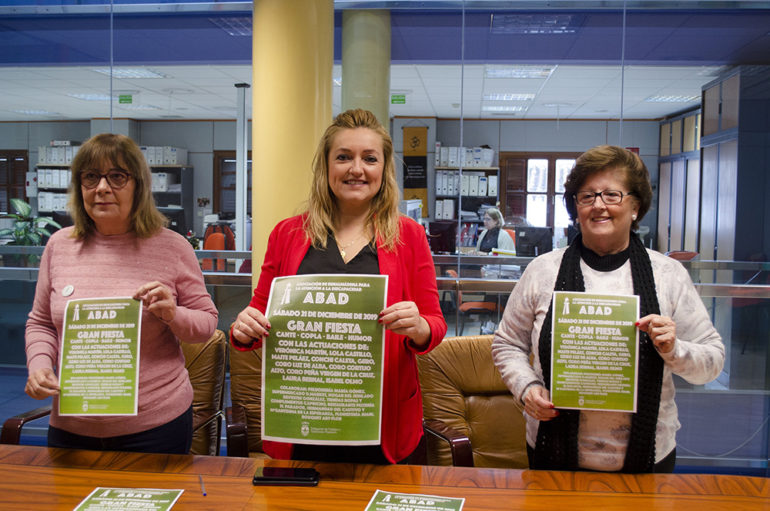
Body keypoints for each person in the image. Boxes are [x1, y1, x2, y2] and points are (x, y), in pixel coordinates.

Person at [231, 108, 447, 464]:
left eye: (369, 158)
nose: (356, 169)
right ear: (326, 166)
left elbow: (435, 325)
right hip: (302, 417)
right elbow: (255, 318)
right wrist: (243, 329)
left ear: (384, 169)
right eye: (344, 157)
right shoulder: (287, 234)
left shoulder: (409, 235)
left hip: (382, 423)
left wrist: (420, 327)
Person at [492, 145, 724, 473]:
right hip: (553, 454)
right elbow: (507, 343)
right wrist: (527, 388)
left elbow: (712, 363)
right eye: (587, 196)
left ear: (635, 207)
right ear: (576, 207)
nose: (598, 205)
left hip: (649, 457)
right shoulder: (543, 271)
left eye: (612, 194)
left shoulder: (668, 275)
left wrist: (674, 349)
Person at [25, 133, 218, 454]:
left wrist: (173, 314)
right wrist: (39, 364)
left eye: (116, 176)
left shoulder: (172, 247)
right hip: (72, 423)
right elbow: (41, 323)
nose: (102, 187)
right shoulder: (59, 246)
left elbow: (207, 324)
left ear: (138, 185)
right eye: (90, 177)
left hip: (156, 424)